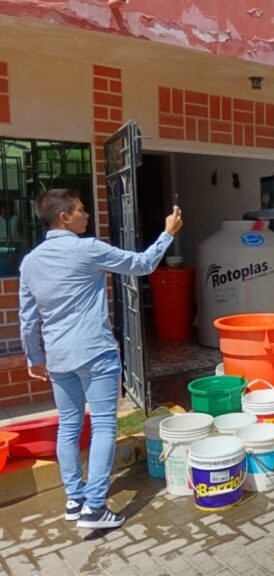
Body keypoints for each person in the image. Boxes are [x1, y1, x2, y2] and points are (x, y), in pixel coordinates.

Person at [19, 188, 183, 529]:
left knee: (69, 426)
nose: (87, 215)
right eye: (81, 210)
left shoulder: (30, 262)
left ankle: (75, 500)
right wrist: (167, 233)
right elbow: (141, 264)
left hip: (59, 357)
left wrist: (34, 355)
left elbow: (27, 316)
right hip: (95, 351)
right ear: (64, 217)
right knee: (104, 425)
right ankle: (94, 508)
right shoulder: (87, 248)